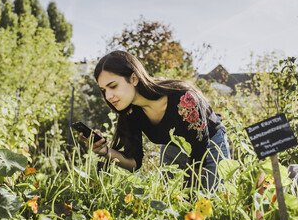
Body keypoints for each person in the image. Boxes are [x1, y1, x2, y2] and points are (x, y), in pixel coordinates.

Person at [80, 50, 230, 191]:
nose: (108, 96)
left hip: (209, 145)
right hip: (173, 147)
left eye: (113, 86)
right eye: (104, 90)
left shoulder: (183, 99)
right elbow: (134, 164)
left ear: (134, 78)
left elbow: (199, 152)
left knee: (208, 201)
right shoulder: (131, 112)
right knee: (171, 206)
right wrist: (104, 151)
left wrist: (192, 197)